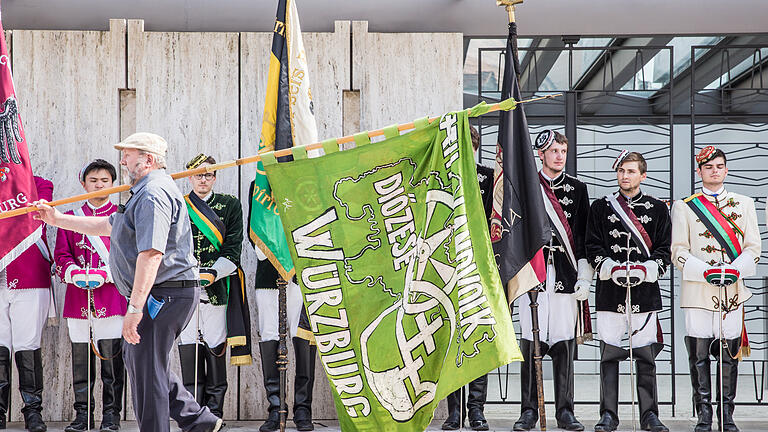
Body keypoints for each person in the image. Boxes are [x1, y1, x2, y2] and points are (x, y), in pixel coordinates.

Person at [32, 132, 222, 432]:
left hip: (165, 293)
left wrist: (134, 309)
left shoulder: (153, 194)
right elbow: (109, 225)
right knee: (146, 363)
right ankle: (200, 421)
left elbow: (151, 254)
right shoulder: (144, 191)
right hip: (164, 293)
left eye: (129, 155)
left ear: (147, 160)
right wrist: (56, 219)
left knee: (148, 374)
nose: (123, 161)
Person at [671, 146, 760, 432]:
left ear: (726, 169)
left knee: (728, 356)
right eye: (708, 167)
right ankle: (704, 415)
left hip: (732, 291)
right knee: (698, 356)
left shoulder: (744, 203)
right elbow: (677, 251)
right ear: (699, 171)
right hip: (698, 290)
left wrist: (734, 270)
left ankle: (727, 414)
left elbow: (753, 248)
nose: (714, 171)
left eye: (719, 166)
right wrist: (704, 272)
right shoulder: (684, 206)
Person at [585, 151, 671, 432]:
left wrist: (648, 269)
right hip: (610, 293)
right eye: (622, 170)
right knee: (609, 355)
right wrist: (608, 266)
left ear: (643, 175)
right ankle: (608, 414)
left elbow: (664, 249)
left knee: (645, 356)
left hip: (644, 293)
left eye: (631, 171)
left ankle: (649, 414)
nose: (625, 176)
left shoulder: (658, 208)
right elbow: (592, 245)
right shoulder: (601, 207)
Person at [513, 130, 591, 432]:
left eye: (563, 150)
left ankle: (564, 411)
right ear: (541, 154)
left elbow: (583, 234)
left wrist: (584, 273)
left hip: (565, 274)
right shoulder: (525, 186)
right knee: (531, 343)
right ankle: (529, 411)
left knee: (564, 344)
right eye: (553, 150)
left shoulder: (578, 188)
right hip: (532, 275)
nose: (559, 155)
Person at [178, 154, 251, 421]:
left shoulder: (229, 205)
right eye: (198, 174)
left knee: (215, 345)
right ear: (189, 177)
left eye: (209, 174)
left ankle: (215, 413)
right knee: (188, 346)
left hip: (217, 287)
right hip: (184, 287)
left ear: (215, 177)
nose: (203, 180)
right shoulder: (179, 205)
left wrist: (213, 272)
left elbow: (233, 247)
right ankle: (192, 413)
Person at [54, 160, 126, 432]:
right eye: (93, 179)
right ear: (83, 183)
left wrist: (107, 272)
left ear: (113, 184)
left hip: (111, 298)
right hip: (78, 298)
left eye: (105, 180)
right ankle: (82, 415)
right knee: (81, 363)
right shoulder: (69, 217)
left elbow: (129, 255)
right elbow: (61, 255)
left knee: (111, 364)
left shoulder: (121, 215)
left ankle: (111, 416)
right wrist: (72, 272)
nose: (99, 184)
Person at [442, 125, 491, 431]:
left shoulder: (488, 177)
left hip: (481, 270)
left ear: (475, 147)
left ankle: (476, 409)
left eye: (469, 144)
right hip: (447, 269)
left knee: (478, 340)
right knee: (450, 341)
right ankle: (453, 411)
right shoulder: (442, 176)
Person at [0, 176, 53, 432]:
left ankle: (33, 411)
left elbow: (36, 215)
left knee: (28, 344)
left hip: (29, 277)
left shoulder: (37, 183)